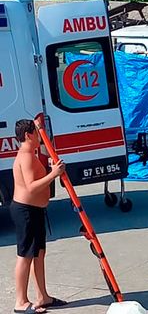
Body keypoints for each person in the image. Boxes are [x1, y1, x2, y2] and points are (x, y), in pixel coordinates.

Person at [11, 119, 68, 314]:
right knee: (25, 255)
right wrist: (53, 174)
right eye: (37, 132)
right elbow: (31, 186)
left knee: (39, 253)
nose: (40, 136)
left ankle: (42, 296)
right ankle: (21, 302)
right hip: (24, 210)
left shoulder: (32, 155)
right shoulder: (25, 156)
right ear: (28, 135)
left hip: (35, 210)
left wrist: (51, 168)